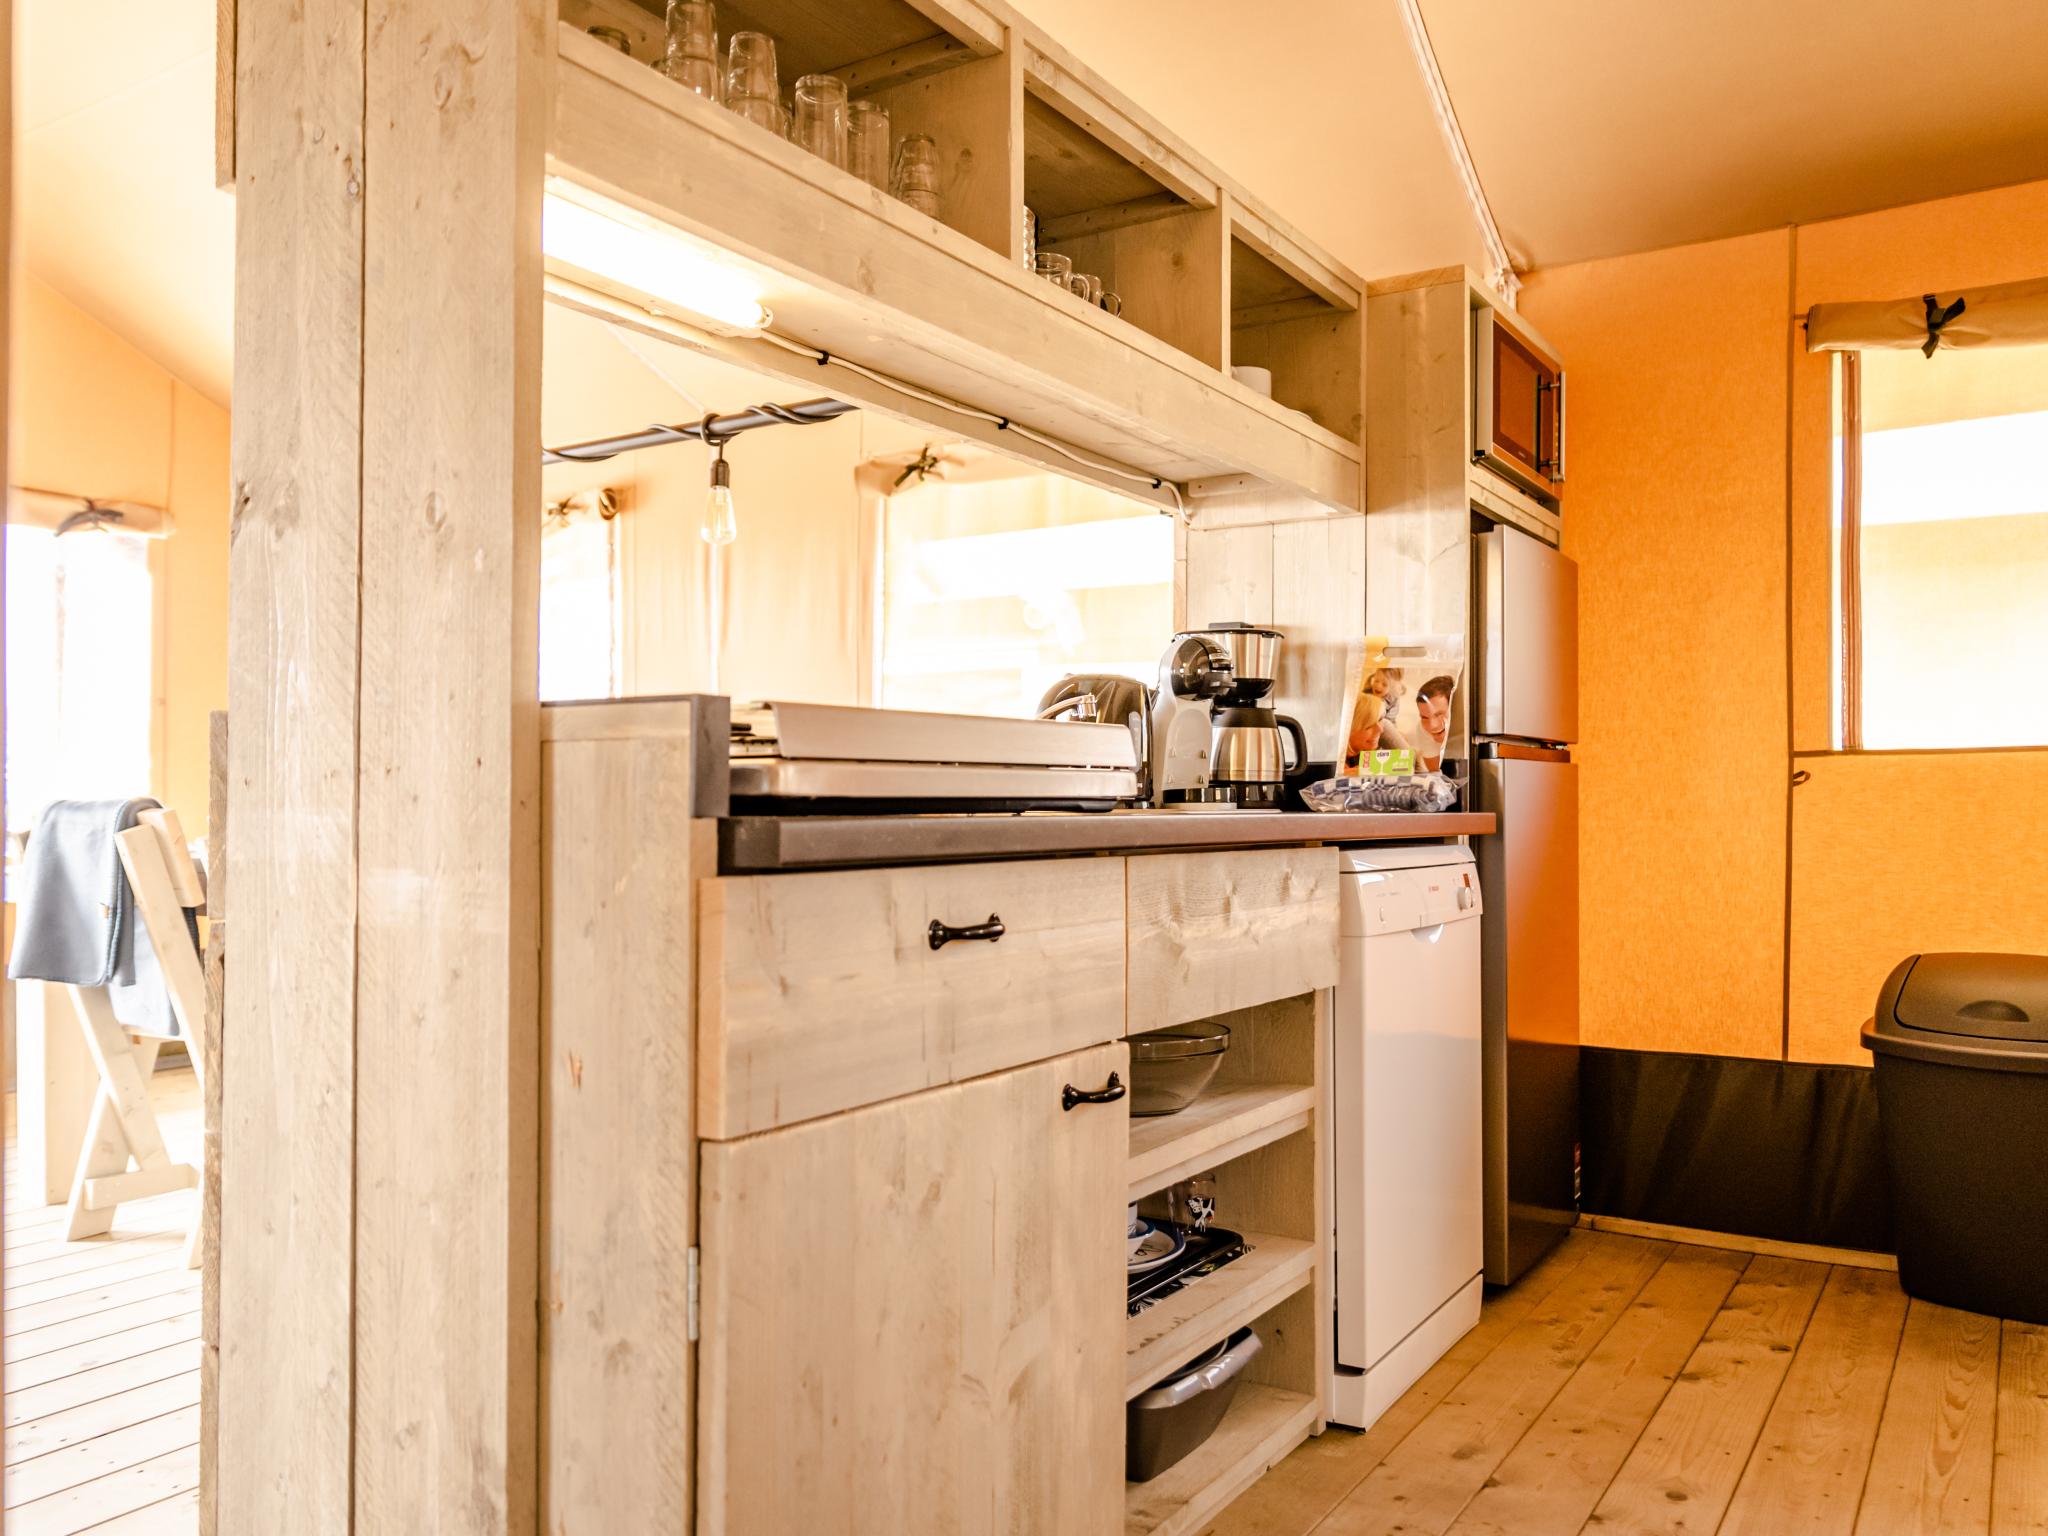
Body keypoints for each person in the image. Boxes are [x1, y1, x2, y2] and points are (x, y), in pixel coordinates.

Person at [1411, 674, 1454, 771]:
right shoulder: (1422, 729)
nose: (1432, 726)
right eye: (1425, 717)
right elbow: (1438, 774)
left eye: (1439, 714)